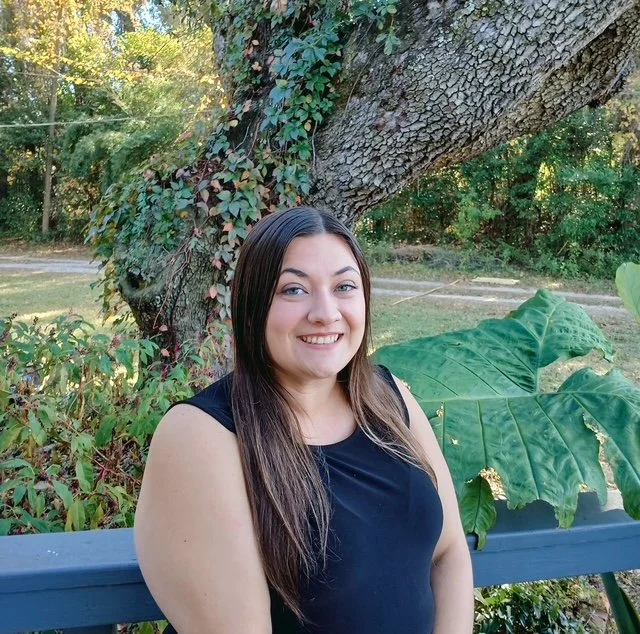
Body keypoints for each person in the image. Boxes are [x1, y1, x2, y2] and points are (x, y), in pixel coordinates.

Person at [133, 207, 474, 633]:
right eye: (294, 290)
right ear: (253, 306)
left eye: (344, 286)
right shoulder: (203, 436)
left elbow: (450, 555)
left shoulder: (390, 398)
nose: (325, 312)